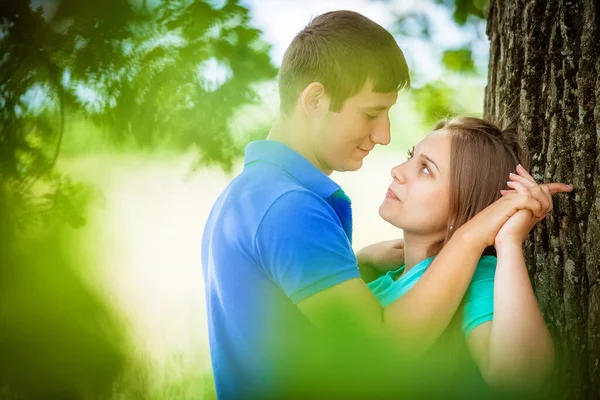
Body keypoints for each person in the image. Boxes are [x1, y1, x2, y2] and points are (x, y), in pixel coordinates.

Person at [201, 10, 571, 399]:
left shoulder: (250, 195)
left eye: (425, 168)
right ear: (315, 100)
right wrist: (471, 236)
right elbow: (381, 347)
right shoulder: (290, 209)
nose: (384, 135)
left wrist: (355, 265)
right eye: (371, 113)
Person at [360, 117, 567, 392]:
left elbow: (521, 375)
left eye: (425, 169)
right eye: (411, 156)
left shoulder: (476, 276)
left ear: (463, 206)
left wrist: (509, 242)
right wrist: (362, 259)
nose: (397, 170)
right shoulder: (381, 277)